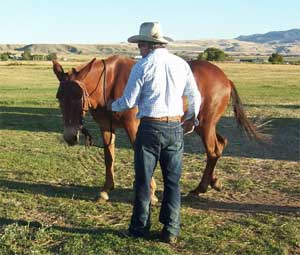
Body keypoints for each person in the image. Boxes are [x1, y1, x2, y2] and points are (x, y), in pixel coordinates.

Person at [109, 22, 201, 244]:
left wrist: (112, 105)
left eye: (139, 45)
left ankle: (139, 228)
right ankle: (171, 229)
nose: (138, 50)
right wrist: (192, 118)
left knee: (143, 179)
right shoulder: (181, 64)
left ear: (145, 44)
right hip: (175, 128)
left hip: (150, 127)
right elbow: (194, 94)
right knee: (172, 182)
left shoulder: (142, 66)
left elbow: (129, 101)